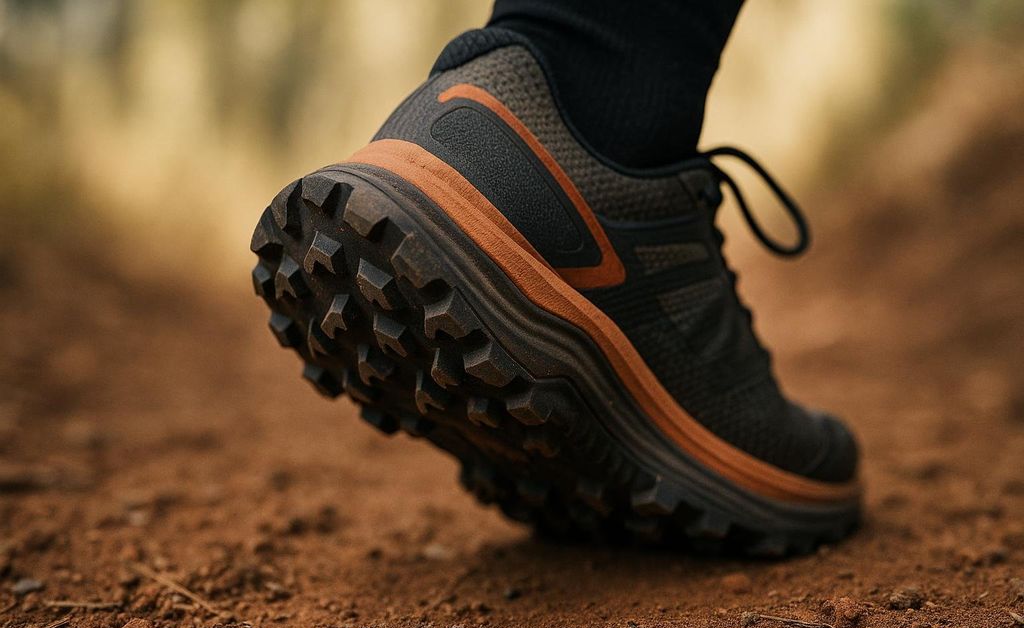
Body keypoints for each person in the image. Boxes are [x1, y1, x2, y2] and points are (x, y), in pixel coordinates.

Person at [250, 0, 860, 555]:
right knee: (602, 71)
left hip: (451, 117)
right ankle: (598, 128)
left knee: (573, 36)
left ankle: (506, 97)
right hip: (564, 172)